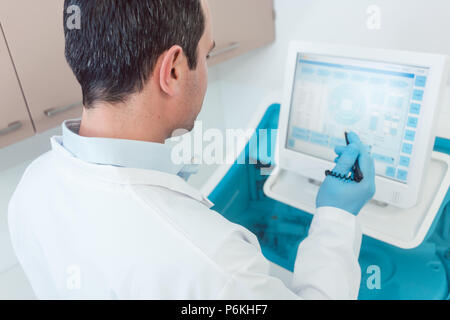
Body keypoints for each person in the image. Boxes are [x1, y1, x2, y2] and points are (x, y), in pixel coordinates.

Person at [8, 0, 375, 299]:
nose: (207, 69)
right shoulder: (214, 266)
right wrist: (336, 216)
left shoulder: (31, 187)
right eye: (207, 55)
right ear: (172, 71)